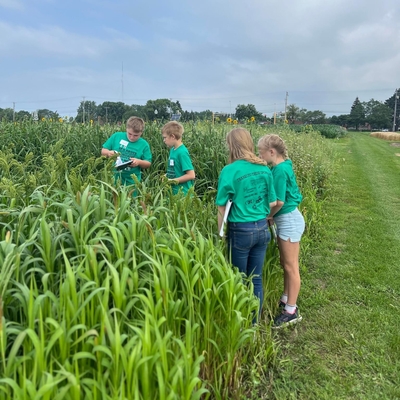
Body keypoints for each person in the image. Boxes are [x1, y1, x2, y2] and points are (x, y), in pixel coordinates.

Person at [216, 128, 277, 321]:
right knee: (256, 279)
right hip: (262, 228)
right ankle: (254, 322)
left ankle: (239, 324)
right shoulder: (264, 169)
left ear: (231, 146)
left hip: (240, 230)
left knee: (239, 279)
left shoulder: (230, 170)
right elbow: (273, 203)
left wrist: (220, 233)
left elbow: (221, 207)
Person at [258, 134, 305, 329]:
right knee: (285, 263)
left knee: (291, 266)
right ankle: (286, 298)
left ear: (271, 152)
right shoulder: (285, 165)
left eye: (261, 152)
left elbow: (278, 202)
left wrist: (267, 216)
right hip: (288, 219)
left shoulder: (278, 170)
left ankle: (291, 311)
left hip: (288, 220)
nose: (259, 156)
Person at [101, 116, 152, 187]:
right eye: (130, 134)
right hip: (113, 178)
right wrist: (109, 153)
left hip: (132, 181)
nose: (132, 137)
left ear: (141, 133)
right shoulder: (116, 136)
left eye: (136, 135)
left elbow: (148, 163)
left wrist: (139, 162)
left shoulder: (144, 144)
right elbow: (103, 151)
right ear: (126, 129)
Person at [161, 121, 195, 195]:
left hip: (183, 194)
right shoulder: (173, 150)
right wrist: (166, 176)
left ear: (172, 136)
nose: (164, 140)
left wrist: (172, 181)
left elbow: (191, 175)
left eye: (165, 138)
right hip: (173, 192)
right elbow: (175, 170)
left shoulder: (182, 152)